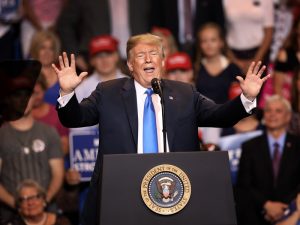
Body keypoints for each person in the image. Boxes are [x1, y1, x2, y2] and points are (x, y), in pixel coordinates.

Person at [53, 33, 270, 225]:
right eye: (140, 55)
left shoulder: (185, 93)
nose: (148, 59)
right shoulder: (107, 93)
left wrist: (247, 97)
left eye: (154, 54)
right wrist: (67, 93)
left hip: (175, 194)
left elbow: (220, 116)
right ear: (129, 64)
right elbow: (76, 118)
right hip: (122, 194)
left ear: (163, 61)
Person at [236, 95, 300, 225]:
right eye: (268, 110)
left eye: (278, 111)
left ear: (288, 117)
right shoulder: (249, 146)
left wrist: (283, 207)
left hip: (292, 212)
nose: (272, 115)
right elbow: (244, 184)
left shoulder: (299, 146)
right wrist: (267, 205)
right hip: (256, 214)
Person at [0, 94, 64, 223]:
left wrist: (44, 201)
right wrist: (18, 204)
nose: (22, 100)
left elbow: (58, 173)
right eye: (17, 96)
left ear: (34, 98)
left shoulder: (49, 132)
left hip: (47, 213)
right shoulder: (2, 135)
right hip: (11, 216)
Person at [4, 179, 70, 225]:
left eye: (35, 197)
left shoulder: (62, 222)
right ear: (19, 206)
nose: (30, 203)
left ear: (44, 200)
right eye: (24, 199)